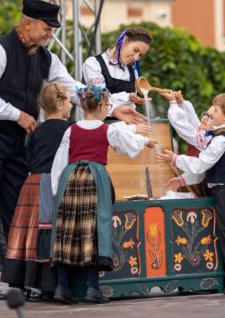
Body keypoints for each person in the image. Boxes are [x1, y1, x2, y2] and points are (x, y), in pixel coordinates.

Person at [0, 0, 146, 300]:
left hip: (18, 139)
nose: (50, 34)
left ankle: (23, 276)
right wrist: (17, 114)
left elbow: (75, 88)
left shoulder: (47, 58)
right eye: (47, 28)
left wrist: (113, 106)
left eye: (52, 29)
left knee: (19, 206)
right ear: (27, 23)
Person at [50, 85, 156, 304]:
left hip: (70, 177)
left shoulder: (70, 129)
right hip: (94, 177)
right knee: (94, 229)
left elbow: (60, 159)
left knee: (66, 229)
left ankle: (62, 287)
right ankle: (93, 288)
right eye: (108, 105)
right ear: (100, 106)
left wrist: (55, 189)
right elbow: (127, 146)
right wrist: (146, 142)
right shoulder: (108, 130)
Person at [156, 93, 225, 295]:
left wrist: (175, 159)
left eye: (215, 110)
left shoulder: (222, 140)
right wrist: (183, 179)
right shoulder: (219, 137)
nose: (210, 112)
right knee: (222, 233)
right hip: (221, 190)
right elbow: (203, 171)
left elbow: (201, 163)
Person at [0, 83, 72, 300]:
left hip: (32, 183)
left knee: (28, 232)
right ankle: (46, 284)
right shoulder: (69, 129)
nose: (71, 105)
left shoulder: (37, 130)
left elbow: (28, 157)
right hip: (53, 184)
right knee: (48, 229)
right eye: (69, 101)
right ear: (60, 104)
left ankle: (24, 281)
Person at [82, 27, 153, 108]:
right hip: (102, 120)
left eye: (140, 55)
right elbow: (99, 99)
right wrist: (127, 97)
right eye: (135, 50)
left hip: (128, 120)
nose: (136, 58)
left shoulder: (133, 70)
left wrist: (134, 99)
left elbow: (131, 106)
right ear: (125, 40)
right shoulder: (94, 64)